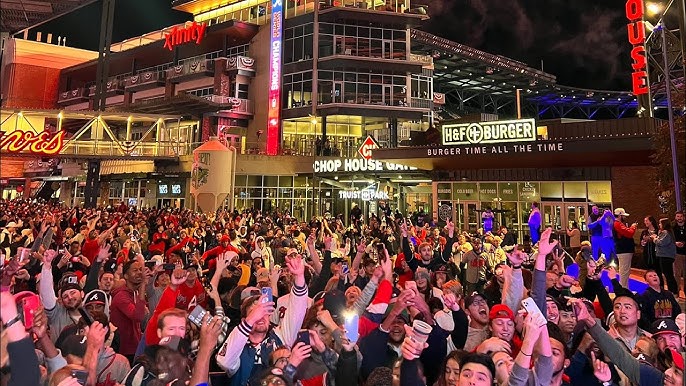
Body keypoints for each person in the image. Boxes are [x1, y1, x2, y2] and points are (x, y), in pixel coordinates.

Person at [110, 260, 149, 364]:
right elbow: (138, 316)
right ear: (126, 276)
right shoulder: (121, 296)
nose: (139, 273)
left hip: (135, 346)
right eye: (135, 270)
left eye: (140, 270)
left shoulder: (134, 293)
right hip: (124, 351)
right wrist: (143, 285)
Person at [613, 208, 638, 287]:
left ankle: (625, 288)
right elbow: (629, 233)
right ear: (620, 215)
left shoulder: (617, 223)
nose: (625, 217)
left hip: (623, 250)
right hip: (624, 250)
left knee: (625, 271)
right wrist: (633, 227)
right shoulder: (617, 224)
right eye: (623, 216)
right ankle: (623, 290)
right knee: (624, 271)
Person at [652, 218, 678, 293]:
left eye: (660, 223)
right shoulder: (665, 232)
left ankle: (673, 292)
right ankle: (673, 291)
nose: (659, 225)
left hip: (666, 256)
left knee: (668, 275)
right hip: (665, 256)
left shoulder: (666, 232)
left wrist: (654, 238)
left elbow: (661, 243)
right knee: (668, 275)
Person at [673, 210, 685, 296]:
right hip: (677, 254)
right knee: (677, 274)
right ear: (675, 218)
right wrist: (676, 243)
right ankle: (676, 292)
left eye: (681, 216)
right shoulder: (673, 228)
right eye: (678, 216)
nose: (679, 218)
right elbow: (670, 240)